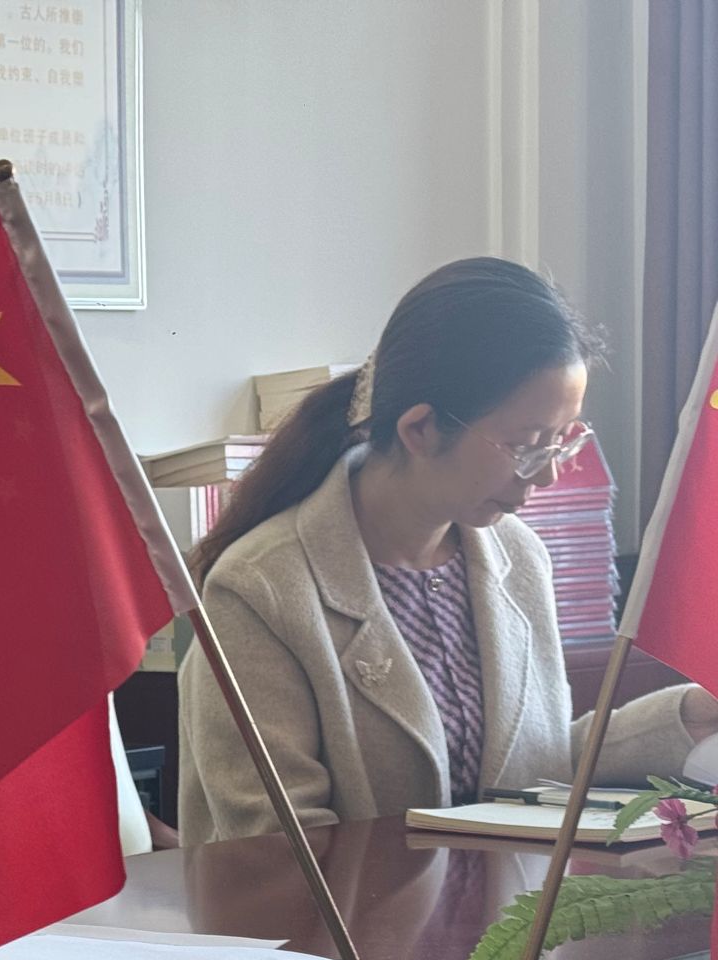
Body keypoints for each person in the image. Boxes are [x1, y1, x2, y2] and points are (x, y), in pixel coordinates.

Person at [178, 257, 718, 845]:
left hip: (510, 904)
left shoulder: (517, 557)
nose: (547, 476)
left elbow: (534, 767)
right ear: (421, 429)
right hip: (343, 909)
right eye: (527, 445)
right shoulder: (259, 590)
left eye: (563, 441)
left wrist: (691, 714)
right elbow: (282, 849)